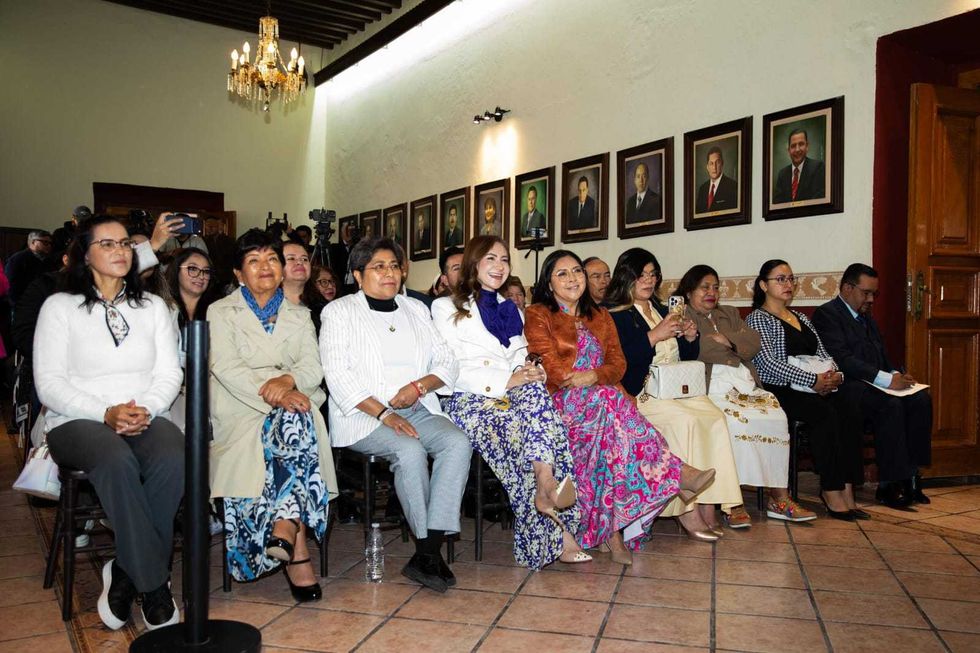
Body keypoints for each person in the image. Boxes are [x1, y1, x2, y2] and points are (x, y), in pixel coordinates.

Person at [34, 214, 184, 631]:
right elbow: (48, 384)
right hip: (76, 420)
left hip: (143, 412)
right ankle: (154, 584)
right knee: (116, 460)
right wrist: (105, 412)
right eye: (108, 244)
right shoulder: (59, 307)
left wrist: (147, 409)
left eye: (124, 244)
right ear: (85, 254)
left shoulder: (152, 306)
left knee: (174, 454)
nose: (120, 251)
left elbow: (170, 374)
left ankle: (124, 572)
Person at [524, 250, 716, 565]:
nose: (573, 278)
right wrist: (584, 380)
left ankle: (609, 532)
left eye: (577, 271)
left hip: (600, 398)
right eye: (563, 274)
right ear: (548, 281)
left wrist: (595, 376)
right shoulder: (538, 313)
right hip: (560, 398)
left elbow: (618, 364)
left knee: (609, 430)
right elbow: (549, 364)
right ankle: (676, 474)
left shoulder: (599, 315)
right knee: (611, 402)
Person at [320, 237, 471, 593]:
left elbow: (447, 361)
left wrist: (418, 387)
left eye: (394, 266)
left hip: (417, 407)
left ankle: (429, 550)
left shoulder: (415, 309)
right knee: (410, 450)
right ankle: (426, 548)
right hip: (363, 416)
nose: (389, 273)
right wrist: (386, 415)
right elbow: (338, 376)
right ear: (358, 274)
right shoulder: (339, 312)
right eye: (378, 266)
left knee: (457, 442)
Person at [432, 235, 587, 568]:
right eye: (491, 259)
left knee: (540, 405)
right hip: (471, 399)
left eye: (504, 260)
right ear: (474, 263)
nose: (499, 267)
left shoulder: (512, 309)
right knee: (530, 432)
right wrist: (507, 380)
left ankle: (546, 490)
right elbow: (451, 367)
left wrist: (533, 372)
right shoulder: (446, 306)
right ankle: (556, 525)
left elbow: (520, 357)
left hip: (515, 395)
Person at [208, 229, 338, 601]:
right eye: (254, 261)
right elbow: (227, 369)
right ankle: (296, 544)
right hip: (243, 411)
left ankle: (285, 526)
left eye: (271, 259)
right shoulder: (221, 312)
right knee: (296, 419)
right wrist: (277, 394)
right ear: (237, 273)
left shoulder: (299, 315)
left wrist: (289, 379)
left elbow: (313, 366)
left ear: (282, 269)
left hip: (292, 402)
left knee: (295, 419)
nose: (265, 267)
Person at [607, 249, 741, 539]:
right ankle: (685, 510)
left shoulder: (660, 308)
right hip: (642, 392)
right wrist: (654, 335)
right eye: (641, 274)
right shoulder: (615, 314)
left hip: (673, 386)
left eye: (653, 274)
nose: (648, 280)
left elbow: (680, 357)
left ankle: (709, 504)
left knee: (715, 417)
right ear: (626, 276)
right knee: (684, 422)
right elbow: (621, 363)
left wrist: (690, 339)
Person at [677, 264, 816, 525]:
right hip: (712, 383)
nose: (712, 292)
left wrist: (728, 342)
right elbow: (700, 349)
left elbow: (753, 343)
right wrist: (732, 344)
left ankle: (780, 497)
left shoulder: (728, 313)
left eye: (716, 287)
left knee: (774, 417)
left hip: (743, 380)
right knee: (732, 421)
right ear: (688, 291)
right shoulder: (682, 316)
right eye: (704, 287)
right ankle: (734, 502)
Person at [747, 259, 865, 521]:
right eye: (780, 279)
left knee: (849, 405)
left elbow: (823, 353)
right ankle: (831, 489)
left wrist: (833, 376)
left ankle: (847, 485)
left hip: (814, 385)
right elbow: (768, 364)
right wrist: (813, 380)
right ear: (763, 285)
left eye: (791, 279)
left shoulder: (801, 317)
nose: (788, 284)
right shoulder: (759, 318)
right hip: (780, 389)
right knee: (823, 412)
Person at [812, 263, 932, 508]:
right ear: (847, 288)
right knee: (891, 405)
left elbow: (882, 356)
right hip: (849, 388)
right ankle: (889, 483)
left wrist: (898, 374)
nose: (871, 300)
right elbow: (842, 359)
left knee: (921, 400)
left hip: (876, 385)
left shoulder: (867, 318)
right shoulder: (827, 315)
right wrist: (888, 381)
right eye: (866, 293)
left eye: (874, 294)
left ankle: (911, 475)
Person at [773, 129, 826, 203]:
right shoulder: (782, 174)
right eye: (793, 146)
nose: (797, 149)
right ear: (789, 150)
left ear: (807, 146)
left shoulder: (818, 168)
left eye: (801, 144)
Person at [5, 230, 54, 305]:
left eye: (50, 243)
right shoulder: (18, 259)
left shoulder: (49, 260)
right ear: (33, 242)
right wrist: (18, 304)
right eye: (45, 242)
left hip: (41, 303)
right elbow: (10, 285)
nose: (49, 246)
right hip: (22, 304)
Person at [695, 147, 738, 213]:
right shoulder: (702, 189)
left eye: (717, 162)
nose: (714, 167)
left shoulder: (733, 186)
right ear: (707, 167)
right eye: (711, 163)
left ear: (722, 164)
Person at [329, 221, 358, 295]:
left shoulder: (358, 247)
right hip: (339, 286)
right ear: (342, 233)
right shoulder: (334, 248)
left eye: (352, 231)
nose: (349, 233)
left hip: (355, 286)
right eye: (347, 231)